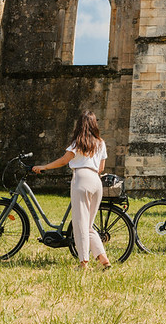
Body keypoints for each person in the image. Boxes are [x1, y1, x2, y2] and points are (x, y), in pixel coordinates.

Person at [33, 111, 111, 271]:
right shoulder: (101, 143)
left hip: (81, 178)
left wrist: (44, 167)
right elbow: (101, 168)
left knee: (80, 224)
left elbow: (64, 160)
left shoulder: (79, 141)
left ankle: (84, 263)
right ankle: (104, 260)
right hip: (97, 182)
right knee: (88, 225)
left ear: (80, 125)